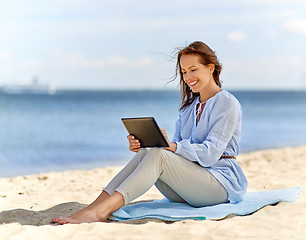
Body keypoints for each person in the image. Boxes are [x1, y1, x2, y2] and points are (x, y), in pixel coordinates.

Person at [52, 41, 247, 224]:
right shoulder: (188, 108)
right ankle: (94, 206)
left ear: (210, 67)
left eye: (193, 70)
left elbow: (211, 152)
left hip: (220, 186)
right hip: (190, 187)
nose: (188, 77)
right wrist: (146, 146)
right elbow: (177, 152)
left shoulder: (227, 104)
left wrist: (171, 147)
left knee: (159, 153)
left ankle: (101, 211)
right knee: (151, 150)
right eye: (184, 72)